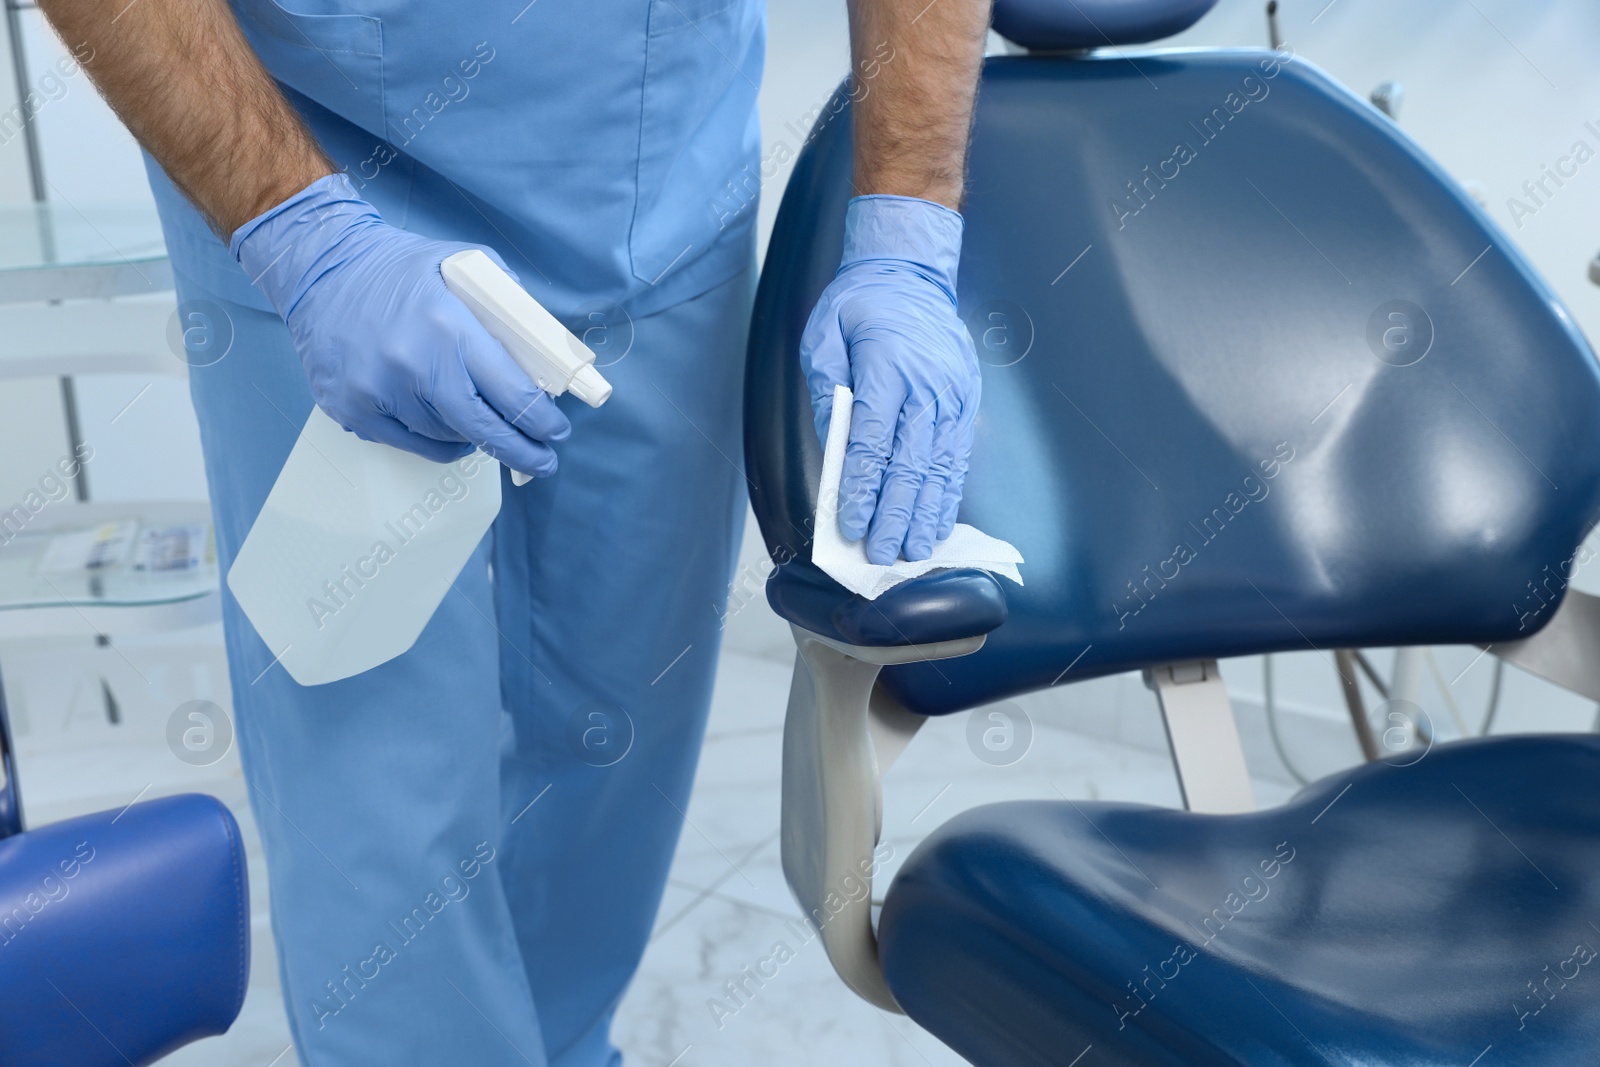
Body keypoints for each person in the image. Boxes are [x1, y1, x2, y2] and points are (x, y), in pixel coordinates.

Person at [36, 0, 989, 1062]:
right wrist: (301, 236)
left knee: (613, 735)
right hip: (311, 167)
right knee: (381, 806)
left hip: (650, 179)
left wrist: (906, 230)